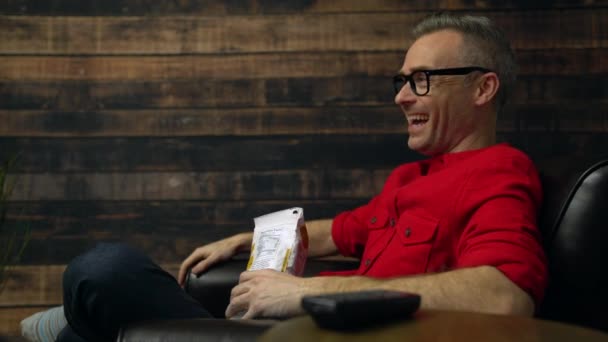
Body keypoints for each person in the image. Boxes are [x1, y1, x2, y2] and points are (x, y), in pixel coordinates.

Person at [57, 13, 547, 341]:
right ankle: (76, 325)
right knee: (104, 293)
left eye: (421, 80)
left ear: (483, 88)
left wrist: (304, 294)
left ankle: (75, 322)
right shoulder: (411, 177)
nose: (401, 97)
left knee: (106, 270)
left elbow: (504, 297)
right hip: (291, 330)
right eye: (401, 81)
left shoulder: (499, 172)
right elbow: (339, 232)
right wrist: (242, 239)